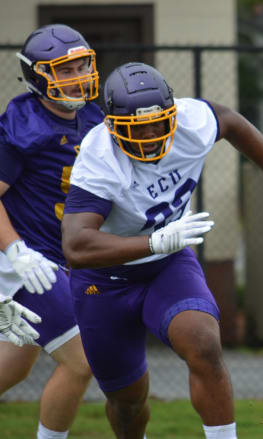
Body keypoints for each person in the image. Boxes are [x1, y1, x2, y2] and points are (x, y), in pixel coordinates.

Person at [60, 62, 263, 439]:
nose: (153, 133)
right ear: (111, 126)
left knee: (204, 343)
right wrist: (152, 241)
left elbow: (232, 121)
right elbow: (76, 245)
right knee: (128, 402)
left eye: (159, 122)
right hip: (104, 280)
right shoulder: (99, 156)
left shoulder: (190, 122)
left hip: (167, 264)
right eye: (137, 127)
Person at [0, 24, 102, 439]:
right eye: (66, 69)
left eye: (82, 65)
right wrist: (16, 252)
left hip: (63, 256)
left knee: (16, 363)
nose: (79, 76)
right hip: (26, 257)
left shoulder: (96, 115)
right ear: (40, 76)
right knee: (82, 361)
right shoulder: (20, 125)